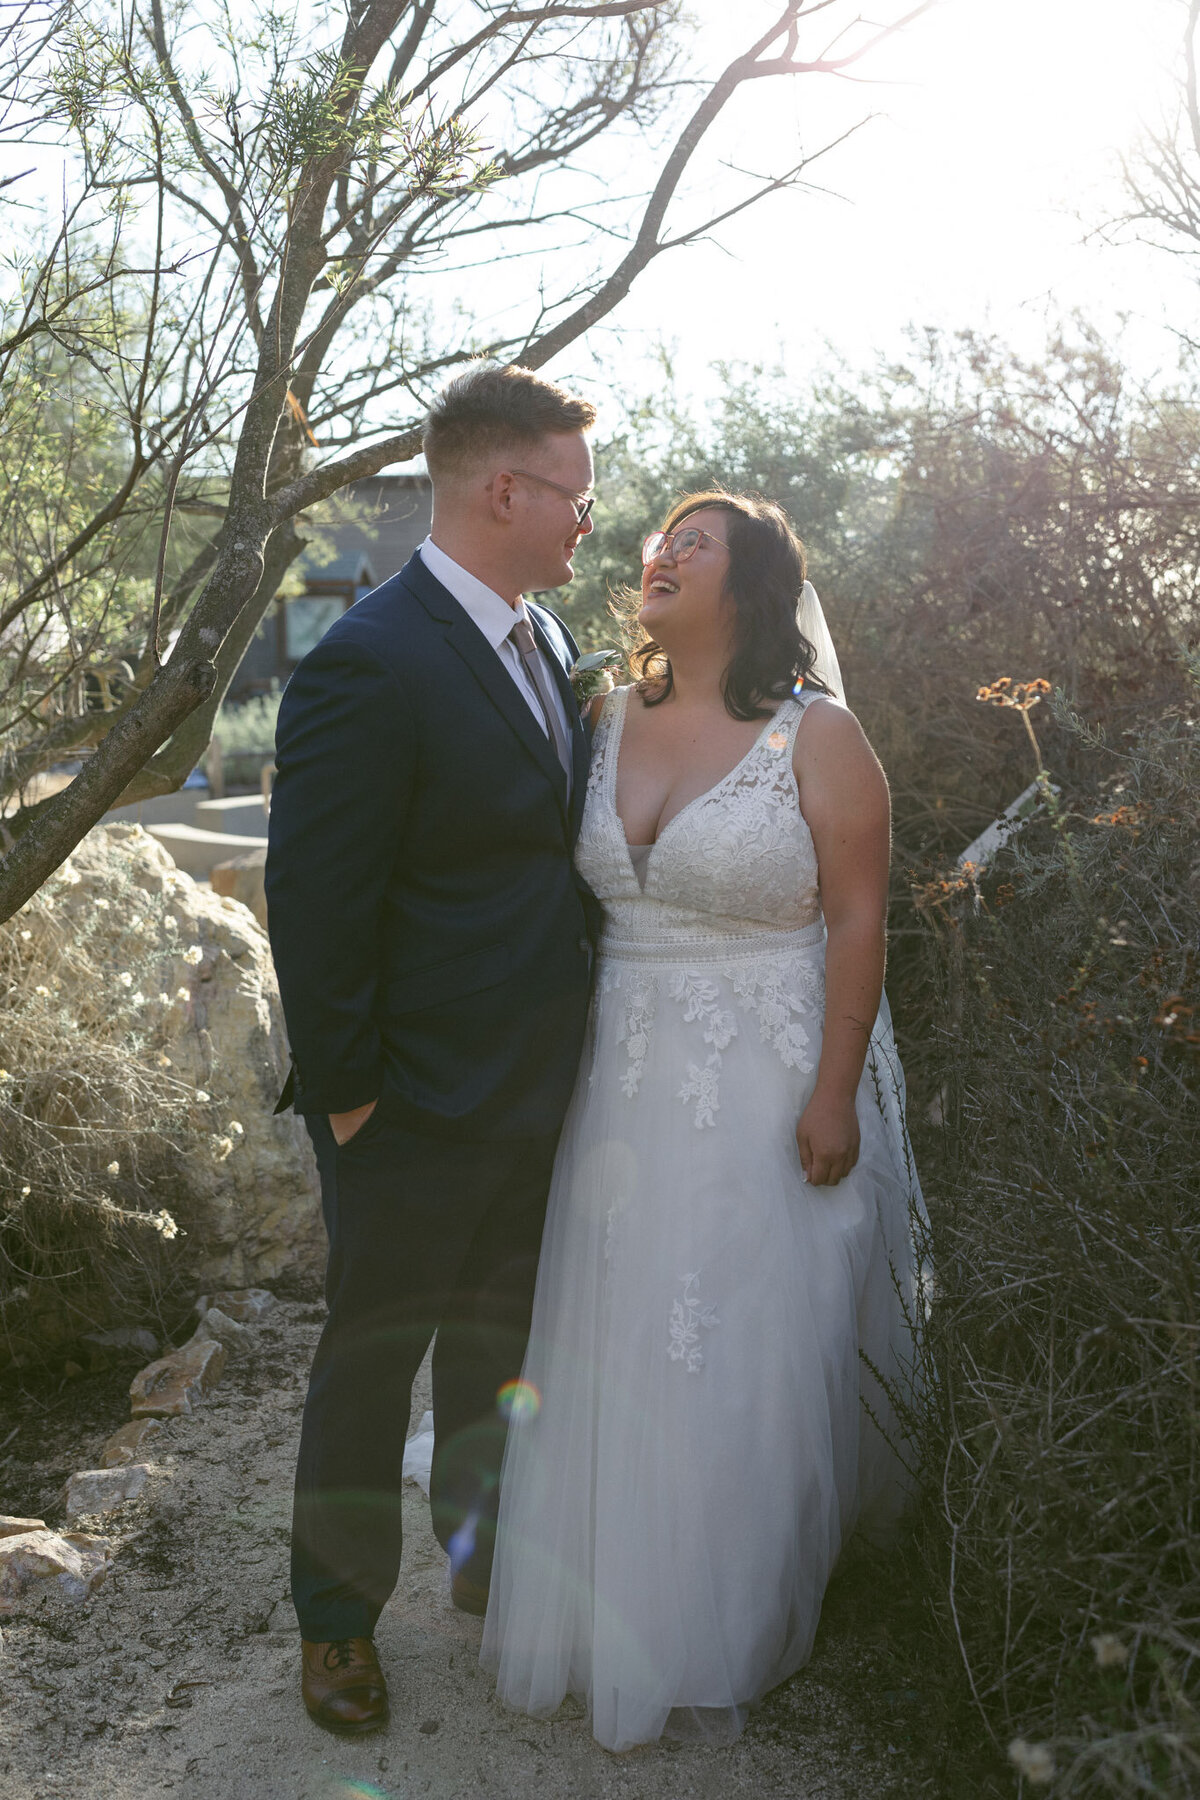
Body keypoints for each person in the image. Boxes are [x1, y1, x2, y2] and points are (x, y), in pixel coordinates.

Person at [480, 492, 929, 1752]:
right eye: (658, 541)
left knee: (739, 1336)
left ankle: (722, 1615)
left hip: (768, 1070)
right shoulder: (602, 716)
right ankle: (612, 1588)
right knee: (621, 1332)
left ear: (754, 586)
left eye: (696, 543)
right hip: (620, 1076)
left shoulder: (818, 737)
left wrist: (835, 1084)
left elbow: (857, 918)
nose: (660, 555)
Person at [264, 361, 602, 1736]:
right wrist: (347, 1099)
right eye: (573, 493)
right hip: (403, 1103)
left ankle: (480, 1567)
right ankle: (337, 1630)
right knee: (371, 1362)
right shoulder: (370, 658)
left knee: (496, 1347)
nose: (590, 519)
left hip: (538, 1085)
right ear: (501, 487)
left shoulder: (553, 645)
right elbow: (315, 897)